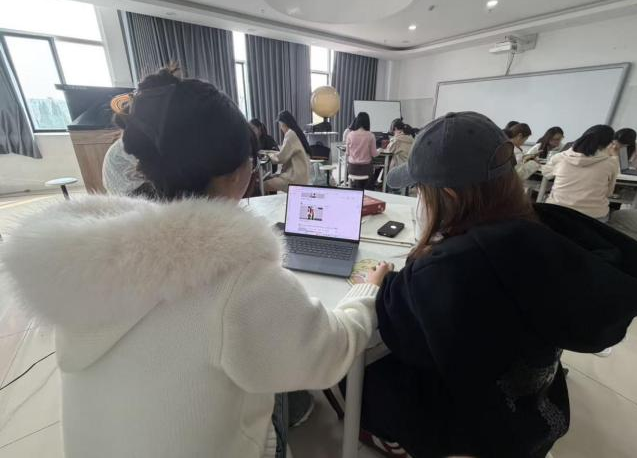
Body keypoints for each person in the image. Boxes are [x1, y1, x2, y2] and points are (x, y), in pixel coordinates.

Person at [1, 67, 394, 458]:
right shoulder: (240, 277)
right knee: (274, 368)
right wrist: (366, 291)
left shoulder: (85, 261)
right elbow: (331, 352)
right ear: (239, 172)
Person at [354, 111, 637, 458]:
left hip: (476, 431)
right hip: (537, 415)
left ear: (447, 195)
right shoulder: (548, 229)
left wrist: (379, 285)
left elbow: (404, 337)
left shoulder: (448, 267)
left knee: (358, 373)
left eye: (421, 190)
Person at [542, 124, 619, 221]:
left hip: (555, 211)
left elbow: (546, 173)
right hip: (593, 217)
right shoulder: (611, 163)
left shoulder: (561, 157)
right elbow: (609, 193)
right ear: (608, 144)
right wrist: (614, 156)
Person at [264, 110, 311, 193]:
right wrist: (272, 153)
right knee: (272, 177)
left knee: (263, 185)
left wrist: (269, 155)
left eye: (280, 125)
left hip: (295, 178)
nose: (280, 128)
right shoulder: (297, 132)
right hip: (302, 176)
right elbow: (285, 153)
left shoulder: (290, 134)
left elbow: (281, 158)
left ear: (284, 124)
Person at [346, 112, 378, 189]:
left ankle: (357, 188)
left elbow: (347, 153)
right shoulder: (371, 135)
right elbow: (374, 154)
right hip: (365, 169)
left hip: (352, 169)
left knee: (358, 182)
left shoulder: (350, 134)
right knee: (372, 171)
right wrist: (379, 150)